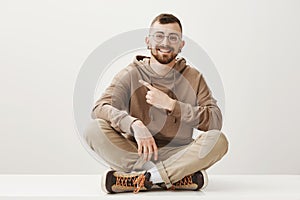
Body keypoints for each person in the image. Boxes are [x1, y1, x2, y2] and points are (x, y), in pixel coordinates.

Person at [84, 13, 229, 194]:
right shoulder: (130, 74)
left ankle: (144, 179)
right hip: (138, 152)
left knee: (218, 140)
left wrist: (172, 105)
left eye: (173, 37)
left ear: (181, 45)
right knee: (93, 129)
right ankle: (173, 178)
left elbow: (215, 121)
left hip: (179, 154)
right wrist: (134, 124)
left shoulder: (194, 77)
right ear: (148, 41)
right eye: (159, 36)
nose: (165, 43)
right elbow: (99, 108)